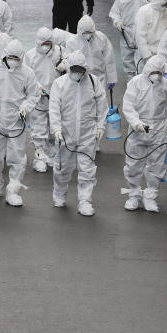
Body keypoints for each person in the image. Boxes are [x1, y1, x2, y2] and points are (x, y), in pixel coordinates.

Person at [0, 39, 40, 206]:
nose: (14, 60)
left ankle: (13, 190)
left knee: (17, 157)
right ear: (5, 55)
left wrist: (25, 107)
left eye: (17, 58)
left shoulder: (27, 73)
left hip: (17, 121)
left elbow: (34, 94)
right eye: (11, 57)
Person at [49, 51, 108, 216]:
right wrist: (56, 129)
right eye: (73, 69)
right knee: (62, 168)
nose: (76, 73)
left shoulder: (93, 82)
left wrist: (100, 126)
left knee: (87, 170)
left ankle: (85, 201)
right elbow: (54, 108)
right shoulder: (59, 84)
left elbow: (102, 106)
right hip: (65, 134)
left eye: (79, 70)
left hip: (87, 134)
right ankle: (59, 194)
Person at [121, 55, 167, 212]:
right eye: (154, 71)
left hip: (159, 128)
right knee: (133, 163)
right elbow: (128, 106)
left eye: (159, 72)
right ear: (147, 70)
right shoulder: (136, 83)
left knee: (156, 164)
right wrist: (136, 123)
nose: (156, 75)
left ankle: (151, 197)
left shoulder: (166, 86)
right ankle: (134, 195)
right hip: (138, 128)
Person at [25, 26, 65, 173]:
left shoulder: (59, 52)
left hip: (56, 98)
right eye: (43, 43)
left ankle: (53, 155)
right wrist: (37, 86)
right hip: (38, 99)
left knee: (55, 127)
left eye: (48, 43)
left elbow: (72, 61)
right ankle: (39, 157)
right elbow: (26, 75)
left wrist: (65, 64)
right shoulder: (30, 55)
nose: (45, 46)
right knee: (39, 128)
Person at [108, 0, 148, 78]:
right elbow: (114, 12)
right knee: (127, 57)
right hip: (126, 32)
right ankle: (130, 80)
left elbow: (155, 12)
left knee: (142, 57)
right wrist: (117, 22)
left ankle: (141, 79)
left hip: (142, 32)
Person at [66, 15, 117, 92]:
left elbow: (109, 59)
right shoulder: (72, 42)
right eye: (85, 33)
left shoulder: (101, 38)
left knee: (100, 100)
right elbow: (70, 62)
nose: (87, 34)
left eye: (89, 32)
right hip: (81, 78)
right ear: (79, 31)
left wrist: (111, 78)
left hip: (99, 77)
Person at [134, 0, 167, 70]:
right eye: (163, 4)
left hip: (161, 54)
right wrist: (147, 56)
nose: (165, 6)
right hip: (145, 53)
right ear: (158, 0)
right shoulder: (144, 11)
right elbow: (140, 36)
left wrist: (165, 52)